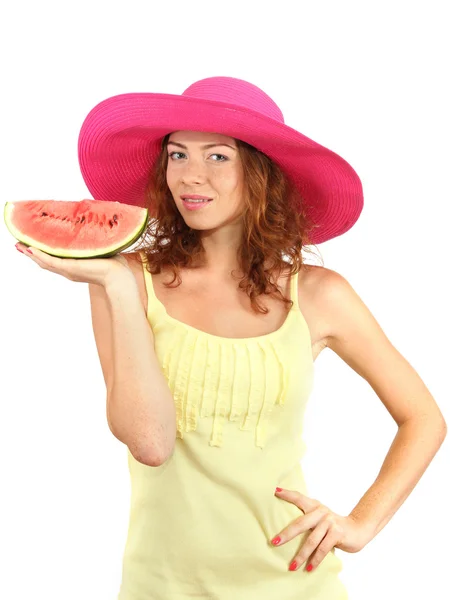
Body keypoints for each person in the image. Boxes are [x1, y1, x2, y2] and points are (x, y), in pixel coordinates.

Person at [16, 76, 447, 599]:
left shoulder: (318, 295)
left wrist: (359, 525)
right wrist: (115, 284)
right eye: (177, 155)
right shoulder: (126, 280)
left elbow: (424, 418)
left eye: (217, 157)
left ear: (260, 172)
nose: (190, 176)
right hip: (161, 587)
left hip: (292, 583)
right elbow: (150, 442)